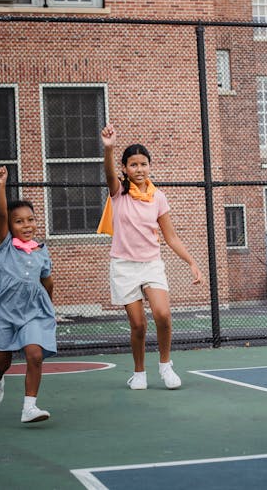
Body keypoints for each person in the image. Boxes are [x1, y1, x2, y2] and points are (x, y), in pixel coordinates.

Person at [98, 124, 202, 390]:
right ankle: (139, 372)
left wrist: (191, 262)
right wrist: (109, 148)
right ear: (125, 168)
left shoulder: (158, 197)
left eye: (143, 164)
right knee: (138, 325)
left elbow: (172, 237)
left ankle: (166, 367)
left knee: (163, 315)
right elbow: (108, 173)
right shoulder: (118, 192)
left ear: (149, 167)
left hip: (151, 265)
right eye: (133, 165)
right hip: (123, 266)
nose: (139, 169)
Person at [0, 166, 57, 423]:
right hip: (4, 312)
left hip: (32, 311)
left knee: (35, 354)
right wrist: (1, 185)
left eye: (31, 219)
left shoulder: (41, 251)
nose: (27, 225)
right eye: (19, 221)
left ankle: (29, 408)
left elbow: (47, 281)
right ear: (10, 226)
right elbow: (1, 213)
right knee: (3, 361)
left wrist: (48, 309)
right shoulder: (5, 247)